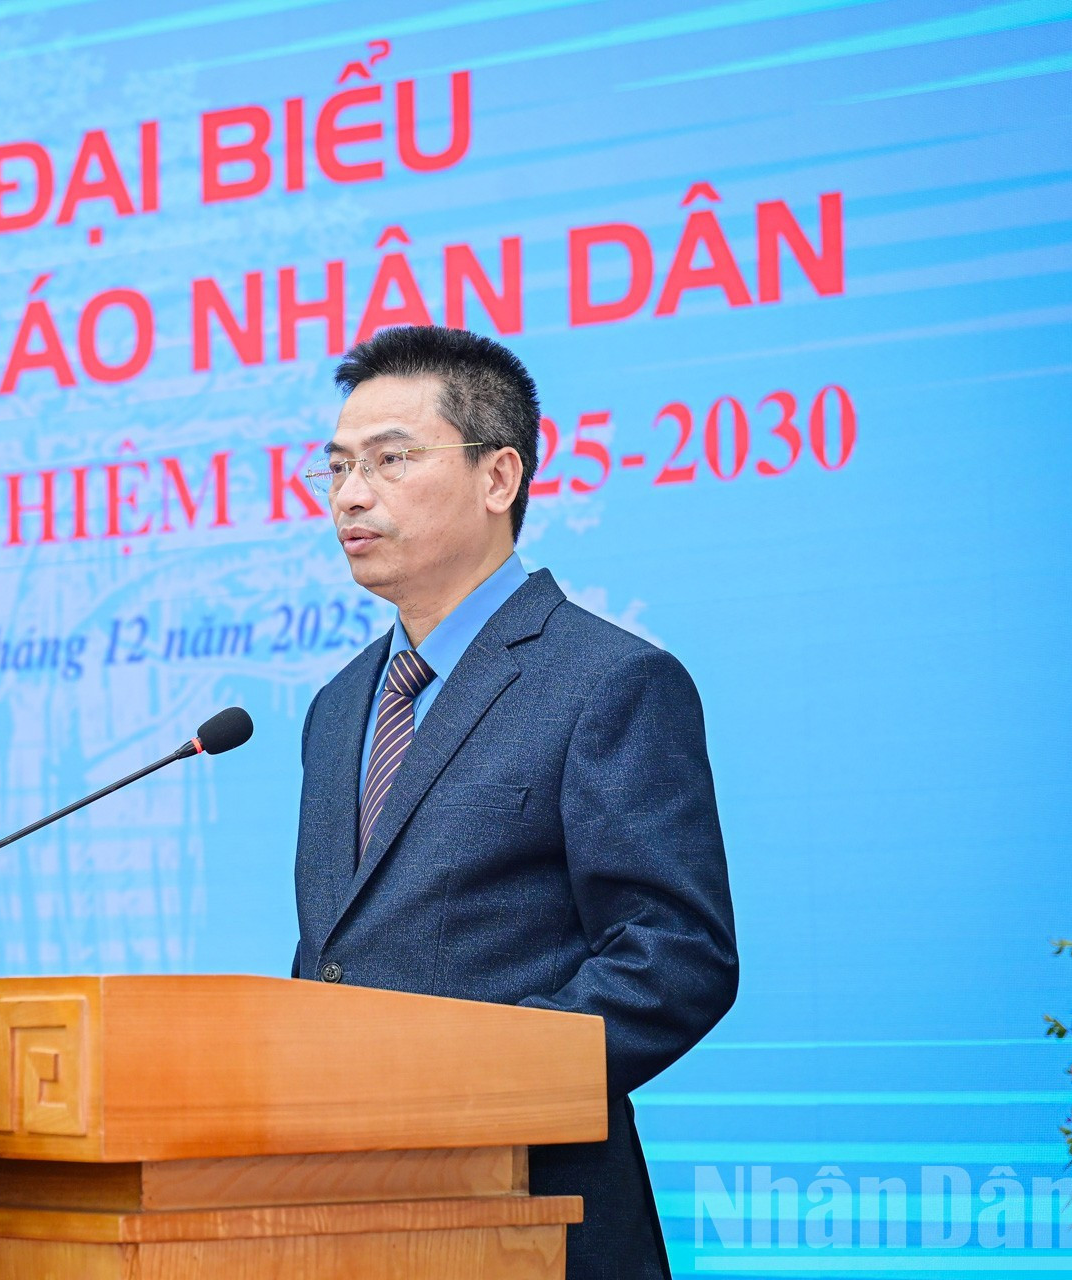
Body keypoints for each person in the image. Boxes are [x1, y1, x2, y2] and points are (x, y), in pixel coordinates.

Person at [291, 325, 739, 1279]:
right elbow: (333, 957)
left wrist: (470, 1084)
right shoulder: (337, 709)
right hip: (342, 1213)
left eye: (391, 460)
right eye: (336, 467)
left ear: (499, 478)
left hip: (534, 1213)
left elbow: (676, 958)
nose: (350, 495)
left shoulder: (608, 681)